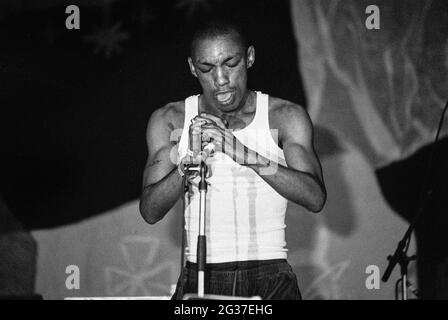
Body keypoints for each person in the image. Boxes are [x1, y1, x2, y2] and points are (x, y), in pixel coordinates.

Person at [139, 18, 326, 300]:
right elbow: (150, 211)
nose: (221, 79)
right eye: (207, 68)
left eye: (230, 63)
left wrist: (244, 154)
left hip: (270, 273)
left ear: (249, 58)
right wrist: (185, 165)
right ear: (192, 68)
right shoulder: (171, 119)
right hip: (200, 273)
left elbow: (315, 198)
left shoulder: (284, 116)